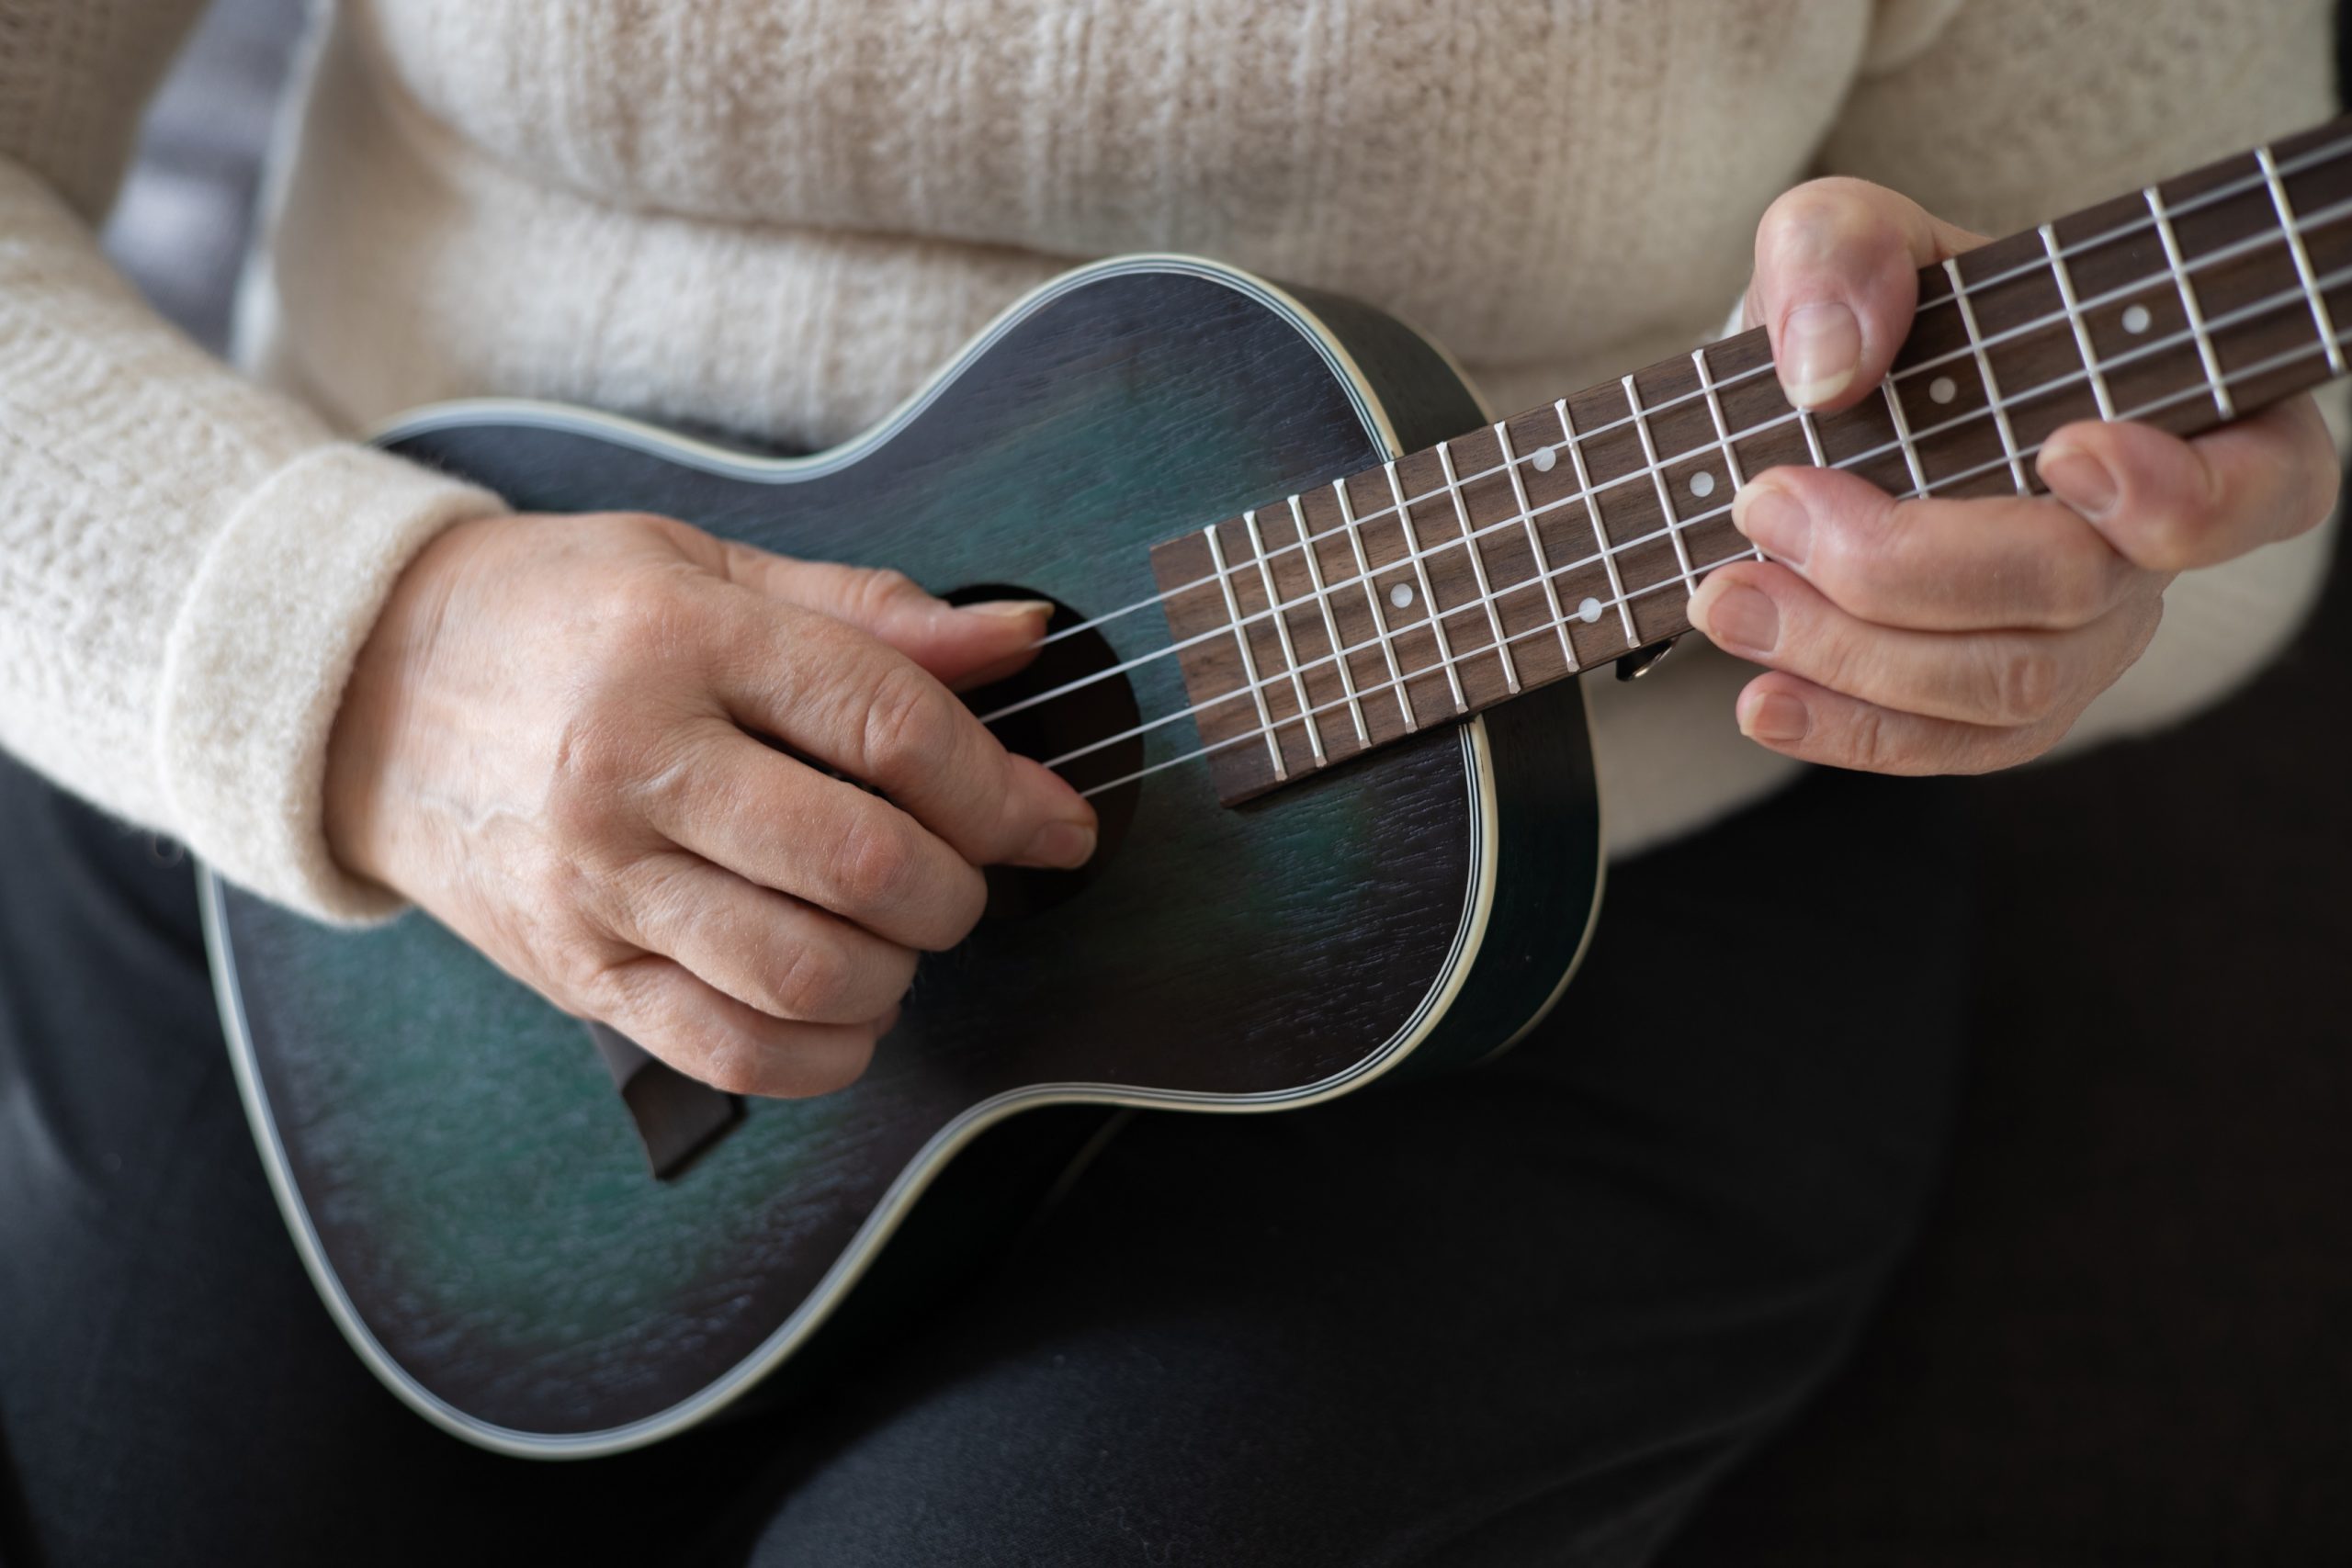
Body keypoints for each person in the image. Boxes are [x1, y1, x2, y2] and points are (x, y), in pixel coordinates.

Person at [0, 1, 2338, 1562]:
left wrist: (2063, 585)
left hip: (1533, 905)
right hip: (364, 763)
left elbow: (2215, 455)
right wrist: (363, 650)